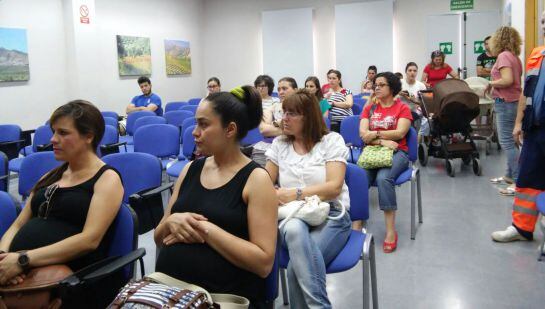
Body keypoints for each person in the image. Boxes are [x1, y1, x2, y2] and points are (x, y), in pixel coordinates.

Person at [154, 86, 278, 308]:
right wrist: (171, 222)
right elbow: (158, 239)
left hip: (219, 298)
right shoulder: (189, 169)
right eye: (196, 123)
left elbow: (263, 263)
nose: (194, 132)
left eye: (203, 124)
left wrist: (203, 230)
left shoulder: (257, 180)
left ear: (229, 129)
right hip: (168, 293)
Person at [0, 100, 124, 307]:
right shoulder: (50, 176)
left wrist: (22, 260)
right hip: (21, 269)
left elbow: (89, 240)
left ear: (88, 136)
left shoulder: (107, 179)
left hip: (66, 277)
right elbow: (19, 224)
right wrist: (4, 258)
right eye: (53, 132)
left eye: (63, 133)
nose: (53, 139)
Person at [265, 89, 351, 308]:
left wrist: (293, 193)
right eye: (284, 112)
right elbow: (264, 183)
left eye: (291, 113)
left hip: (331, 214)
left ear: (309, 116)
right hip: (292, 215)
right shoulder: (279, 145)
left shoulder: (331, 141)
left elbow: (333, 188)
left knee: (296, 269)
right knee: (293, 228)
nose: (284, 119)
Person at [491, 11, 545, 242]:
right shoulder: (536, 55)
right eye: (542, 21)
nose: (543, 26)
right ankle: (521, 228)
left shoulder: (505, 56)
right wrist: (519, 123)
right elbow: (526, 91)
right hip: (535, 127)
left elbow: (507, 81)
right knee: (528, 177)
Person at [359, 72, 412, 252]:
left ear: (392, 88)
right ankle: (356, 227)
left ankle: (390, 231)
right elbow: (362, 135)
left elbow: (399, 134)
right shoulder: (370, 108)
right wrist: (381, 140)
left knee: (383, 179)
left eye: (382, 84)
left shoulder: (402, 108)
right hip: (374, 151)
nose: (377, 88)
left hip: (398, 152)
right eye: (376, 85)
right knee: (359, 179)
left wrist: (374, 133)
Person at [486, 26, 523, 196]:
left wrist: (491, 84)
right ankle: (509, 176)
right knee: (512, 141)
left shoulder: (503, 56)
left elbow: (508, 80)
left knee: (506, 142)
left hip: (506, 103)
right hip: (512, 102)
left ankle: (518, 181)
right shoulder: (514, 57)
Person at [253, 77, 298, 166]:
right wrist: (294, 130)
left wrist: (277, 126)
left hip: (294, 149)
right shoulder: (272, 107)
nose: (280, 92)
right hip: (266, 149)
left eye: (284, 89)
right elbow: (264, 130)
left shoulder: (304, 108)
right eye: (279, 89)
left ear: (295, 90)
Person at [400, 62, 427, 135]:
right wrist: (399, 93)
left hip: (414, 113)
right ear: (406, 72)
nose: (412, 73)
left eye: (415, 71)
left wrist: (415, 101)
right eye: (410, 70)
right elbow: (390, 97)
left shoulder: (421, 85)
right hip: (399, 112)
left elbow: (425, 104)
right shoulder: (399, 83)